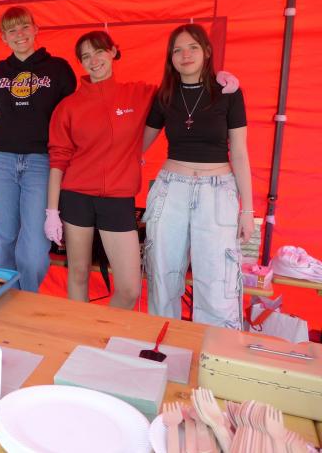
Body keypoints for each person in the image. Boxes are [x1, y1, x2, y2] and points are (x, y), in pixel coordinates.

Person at [46, 30, 238, 310]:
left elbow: (180, 88)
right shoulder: (68, 106)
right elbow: (58, 160)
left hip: (118, 199)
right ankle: (81, 332)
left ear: (113, 52)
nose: (93, 61)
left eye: (99, 52)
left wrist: (215, 78)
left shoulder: (140, 93)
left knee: (130, 288)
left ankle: (104, 330)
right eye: (85, 56)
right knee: (78, 272)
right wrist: (52, 211)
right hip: (76, 197)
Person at [142, 23, 253, 329]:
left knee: (217, 281)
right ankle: (162, 348)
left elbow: (240, 153)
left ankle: (214, 353)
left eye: (192, 47)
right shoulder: (164, 95)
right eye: (177, 50)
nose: (185, 55)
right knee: (162, 276)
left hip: (217, 193)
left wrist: (247, 210)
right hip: (170, 190)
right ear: (170, 58)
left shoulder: (228, 92)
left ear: (206, 51)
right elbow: (137, 144)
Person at [0, 6, 76, 292]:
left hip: (41, 162)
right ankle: (2, 300)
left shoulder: (58, 68)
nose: (20, 34)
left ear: (36, 29)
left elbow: (73, 115)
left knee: (36, 244)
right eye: (11, 30)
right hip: (1, 159)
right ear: (3, 37)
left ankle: (26, 297)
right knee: (3, 238)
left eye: (25, 26)